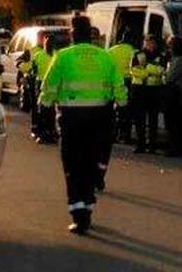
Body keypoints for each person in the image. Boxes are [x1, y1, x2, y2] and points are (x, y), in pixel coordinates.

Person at [38, 15, 127, 234]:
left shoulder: (63, 57)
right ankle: (87, 207)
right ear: (92, 36)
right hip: (100, 117)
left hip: (72, 118)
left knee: (72, 165)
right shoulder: (105, 57)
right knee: (89, 163)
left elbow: (49, 86)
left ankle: (79, 214)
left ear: (72, 35)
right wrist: (122, 105)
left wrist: (45, 106)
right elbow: (119, 87)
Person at [130, 34, 166, 154]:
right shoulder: (137, 54)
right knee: (139, 120)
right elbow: (134, 71)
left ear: (155, 44)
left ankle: (152, 146)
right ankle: (140, 145)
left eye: (151, 42)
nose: (149, 44)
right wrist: (149, 71)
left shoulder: (161, 56)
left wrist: (145, 67)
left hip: (154, 91)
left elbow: (161, 71)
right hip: (139, 90)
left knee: (153, 120)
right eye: (147, 41)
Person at [107, 32, 138, 144]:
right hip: (127, 81)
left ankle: (112, 135)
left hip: (111, 82)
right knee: (125, 110)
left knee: (112, 111)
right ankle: (125, 135)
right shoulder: (133, 51)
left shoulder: (111, 50)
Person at [30, 35, 59, 143]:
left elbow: (34, 70)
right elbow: (34, 70)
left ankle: (48, 132)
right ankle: (45, 132)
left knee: (47, 109)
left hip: (49, 85)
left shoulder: (56, 55)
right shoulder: (40, 55)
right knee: (45, 110)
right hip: (44, 84)